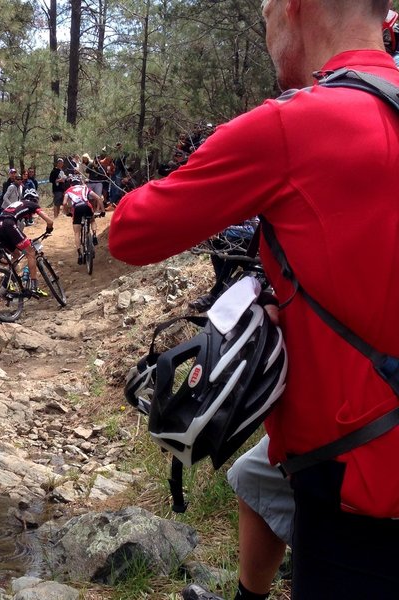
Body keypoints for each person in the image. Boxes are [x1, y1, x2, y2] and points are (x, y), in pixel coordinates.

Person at [110, 2, 399, 598]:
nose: (267, 29)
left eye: (267, 10)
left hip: (357, 484)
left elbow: (131, 231)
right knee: (256, 476)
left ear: (297, 8)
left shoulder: (292, 125)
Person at [0, 188, 54, 297]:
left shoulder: (17, 204)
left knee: (16, 255)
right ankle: (34, 287)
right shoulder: (32, 204)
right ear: (35, 199)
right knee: (31, 252)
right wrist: (49, 228)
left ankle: (5, 286)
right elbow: (50, 221)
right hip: (9, 223)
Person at [64, 175, 104, 265]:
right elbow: (98, 198)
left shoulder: (68, 190)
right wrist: (103, 211)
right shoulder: (85, 188)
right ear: (80, 182)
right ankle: (94, 235)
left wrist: (67, 212)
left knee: (77, 233)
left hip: (77, 208)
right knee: (92, 220)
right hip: (86, 206)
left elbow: (64, 203)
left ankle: (79, 254)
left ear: (71, 183)